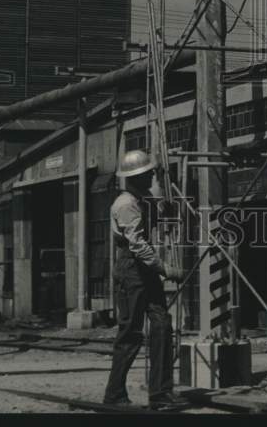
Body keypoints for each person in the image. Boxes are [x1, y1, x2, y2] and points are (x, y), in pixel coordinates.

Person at [103, 150, 186, 410]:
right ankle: (115, 395)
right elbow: (137, 245)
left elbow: (158, 208)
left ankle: (160, 393)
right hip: (132, 268)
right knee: (130, 333)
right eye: (149, 173)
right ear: (137, 177)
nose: (152, 176)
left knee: (162, 324)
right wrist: (165, 269)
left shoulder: (142, 198)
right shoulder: (126, 204)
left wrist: (167, 207)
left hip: (143, 269)